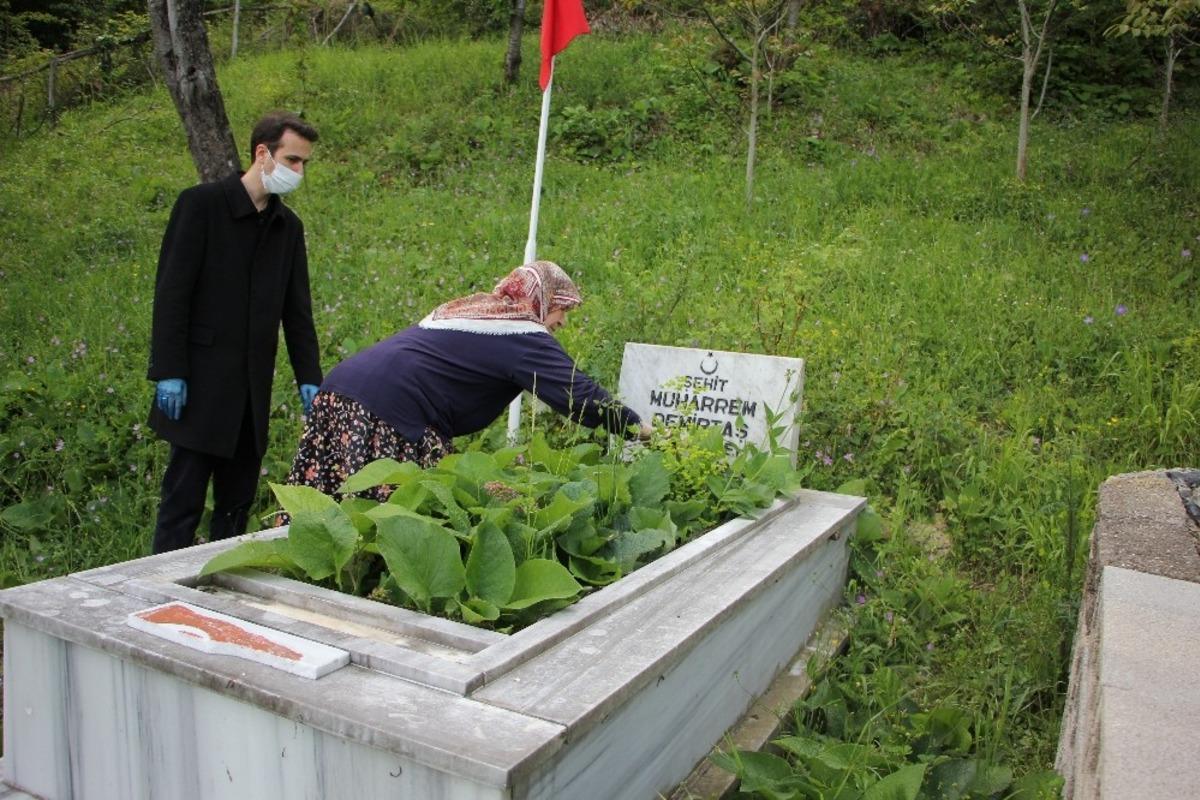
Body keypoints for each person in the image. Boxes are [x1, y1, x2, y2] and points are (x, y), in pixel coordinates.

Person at [285, 260, 649, 501]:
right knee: (391, 522)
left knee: (321, 512)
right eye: (560, 309)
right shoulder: (520, 333)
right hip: (394, 414)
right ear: (539, 301)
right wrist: (637, 428)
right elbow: (580, 395)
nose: (562, 322)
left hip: (339, 392)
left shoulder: (470, 310)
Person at [147, 111, 324, 553]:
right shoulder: (201, 205)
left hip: (251, 389)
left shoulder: (287, 227)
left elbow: (296, 312)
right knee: (182, 501)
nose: (299, 171)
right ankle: (161, 591)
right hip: (199, 384)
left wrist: (310, 377)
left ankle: (222, 590)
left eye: (304, 163)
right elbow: (172, 293)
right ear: (262, 153)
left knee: (236, 504)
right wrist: (170, 369)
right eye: (293, 160)